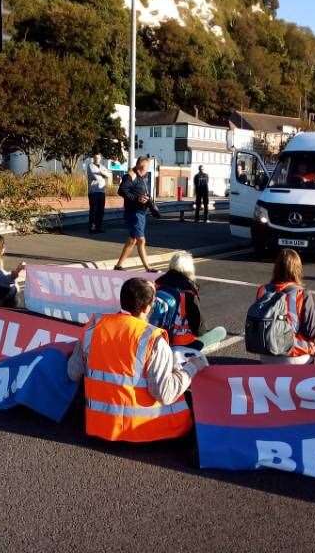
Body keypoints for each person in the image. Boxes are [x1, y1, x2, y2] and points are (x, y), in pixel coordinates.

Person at [67, 277, 208, 442]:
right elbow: (165, 394)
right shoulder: (152, 339)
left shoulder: (94, 327)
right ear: (147, 308)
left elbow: (73, 373)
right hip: (144, 432)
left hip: (101, 427)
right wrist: (192, 368)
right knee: (188, 397)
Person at [255, 249, 315, 364]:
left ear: (276, 268)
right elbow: (312, 334)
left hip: (265, 356)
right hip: (292, 357)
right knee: (309, 347)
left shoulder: (263, 290)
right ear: (297, 269)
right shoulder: (302, 294)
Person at [155, 251, 226, 351]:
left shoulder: (158, 283)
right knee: (221, 331)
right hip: (182, 344)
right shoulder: (188, 291)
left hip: (157, 341)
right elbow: (199, 330)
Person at [114, 157, 160, 272]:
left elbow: (141, 194)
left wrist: (150, 204)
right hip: (134, 213)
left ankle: (118, 266)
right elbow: (121, 191)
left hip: (140, 212)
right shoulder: (131, 175)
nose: (147, 169)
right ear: (142, 166)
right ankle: (148, 268)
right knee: (141, 240)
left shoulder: (141, 177)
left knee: (133, 240)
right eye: (147, 167)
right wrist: (136, 198)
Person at [87, 153, 111, 234]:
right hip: (93, 191)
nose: (97, 159)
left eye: (98, 158)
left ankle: (98, 227)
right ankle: (92, 227)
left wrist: (101, 172)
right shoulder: (90, 166)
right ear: (93, 158)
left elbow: (109, 175)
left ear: (101, 158)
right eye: (95, 157)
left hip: (101, 191)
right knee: (93, 210)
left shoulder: (102, 166)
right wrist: (103, 173)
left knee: (101, 210)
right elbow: (95, 176)